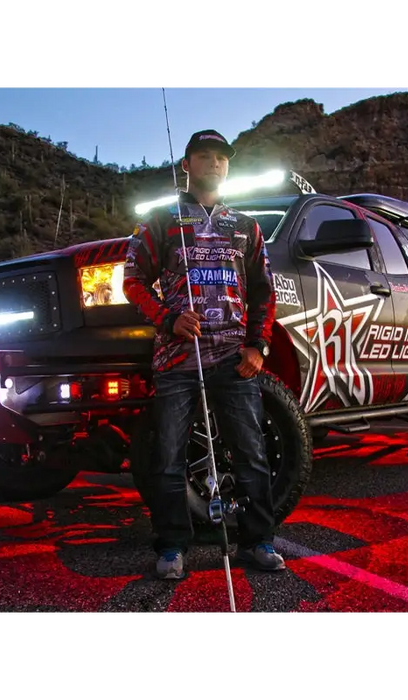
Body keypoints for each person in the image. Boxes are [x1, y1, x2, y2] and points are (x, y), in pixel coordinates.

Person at [122, 129, 285, 580]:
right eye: (204, 156)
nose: (214, 163)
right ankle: (173, 545)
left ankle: (259, 541)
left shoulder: (246, 226)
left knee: (250, 453)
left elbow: (263, 291)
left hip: (234, 358)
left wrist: (259, 345)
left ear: (228, 166)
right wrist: (167, 317)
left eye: (221, 157)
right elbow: (132, 279)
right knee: (168, 456)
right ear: (187, 165)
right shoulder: (161, 220)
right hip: (177, 359)